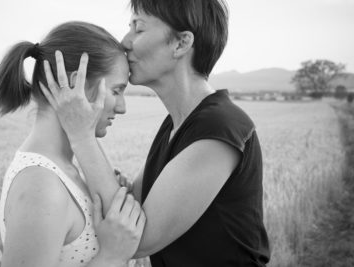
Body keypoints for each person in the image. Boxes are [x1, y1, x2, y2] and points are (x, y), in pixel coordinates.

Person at [41, 0, 270, 266]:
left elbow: (135, 238)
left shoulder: (220, 129)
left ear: (181, 43)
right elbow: (129, 210)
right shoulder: (176, 125)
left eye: (138, 29)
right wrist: (123, 197)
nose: (125, 42)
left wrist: (81, 135)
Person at [0, 21, 146, 267]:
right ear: (76, 84)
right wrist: (111, 257)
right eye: (117, 91)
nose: (122, 107)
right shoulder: (40, 187)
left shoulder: (62, 169)